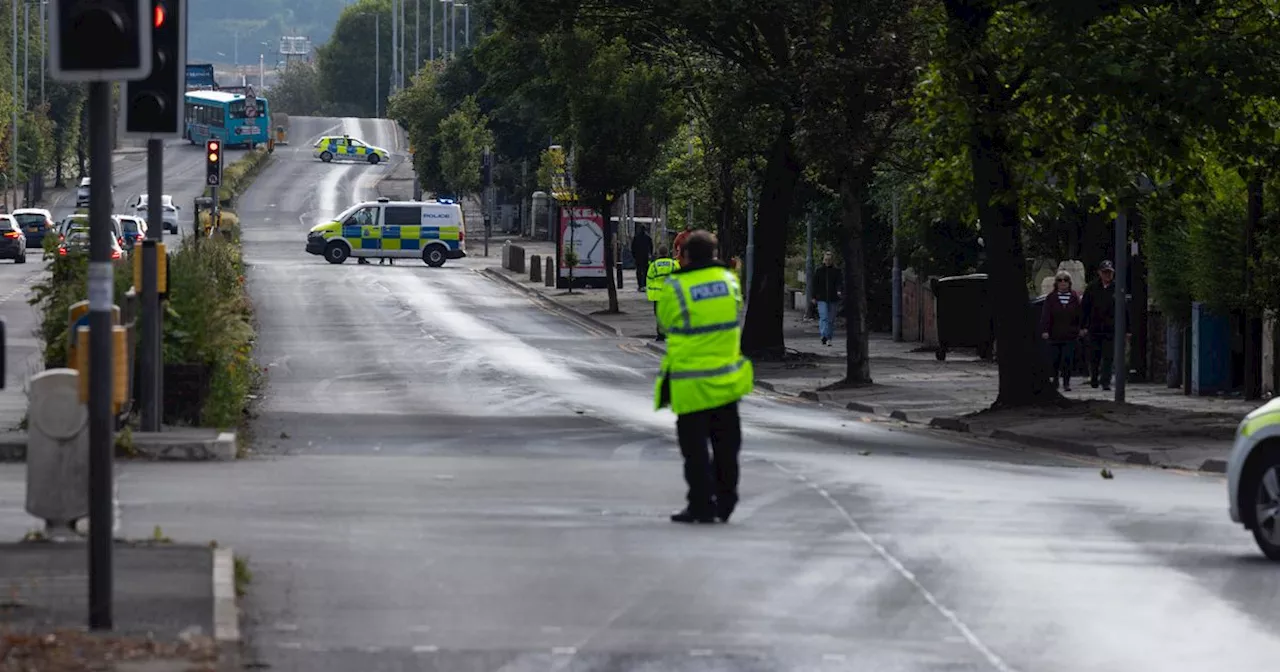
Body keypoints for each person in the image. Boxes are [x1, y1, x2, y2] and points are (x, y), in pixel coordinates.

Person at [655, 230, 753, 524]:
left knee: (695, 450)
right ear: (713, 254)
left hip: (691, 384)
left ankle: (700, 504)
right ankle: (726, 501)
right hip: (726, 382)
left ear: (684, 256)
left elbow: (666, 322)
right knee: (726, 447)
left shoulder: (676, 286)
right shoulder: (729, 282)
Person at [1039, 271, 1083, 391]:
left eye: (1065, 280)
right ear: (1056, 283)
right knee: (1055, 359)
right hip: (1054, 334)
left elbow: (1080, 315)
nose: (1063, 283)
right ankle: (1055, 380)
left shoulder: (1074, 297)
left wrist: (1080, 328)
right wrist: (1045, 330)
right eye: (1060, 280)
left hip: (1070, 334)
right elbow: (1046, 315)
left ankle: (1066, 382)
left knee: (1067, 360)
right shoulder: (1051, 298)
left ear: (1069, 283)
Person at [1081, 260, 1117, 390]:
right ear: (1099, 273)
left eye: (1109, 272)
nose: (1107, 275)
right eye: (1105, 272)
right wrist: (1083, 326)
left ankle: (1105, 381)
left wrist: (1127, 329)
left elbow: (1124, 309)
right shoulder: (1092, 288)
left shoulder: (1117, 288)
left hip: (1110, 328)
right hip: (1094, 327)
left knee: (1108, 356)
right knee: (1094, 355)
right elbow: (1084, 308)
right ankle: (1094, 377)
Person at [646, 245, 678, 341]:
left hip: (658, 294)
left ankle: (660, 335)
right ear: (667, 253)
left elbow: (649, 279)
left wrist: (650, 292)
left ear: (659, 253)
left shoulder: (654, 265)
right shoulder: (673, 263)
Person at [810, 251, 842, 346]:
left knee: (831, 319)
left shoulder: (837, 271)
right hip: (822, 298)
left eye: (829, 260)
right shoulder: (819, 271)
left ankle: (828, 337)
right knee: (824, 317)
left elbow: (839, 282)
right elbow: (814, 285)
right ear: (824, 260)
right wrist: (813, 296)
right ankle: (825, 336)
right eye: (826, 259)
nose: (828, 261)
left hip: (833, 298)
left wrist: (839, 290)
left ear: (832, 261)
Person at [631, 226, 653, 292]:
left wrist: (634, 256)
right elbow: (651, 247)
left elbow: (632, 248)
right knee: (646, 271)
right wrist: (650, 254)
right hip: (645, 257)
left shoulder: (636, 238)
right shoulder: (648, 238)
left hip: (638, 257)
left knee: (639, 271)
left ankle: (640, 285)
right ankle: (645, 284)